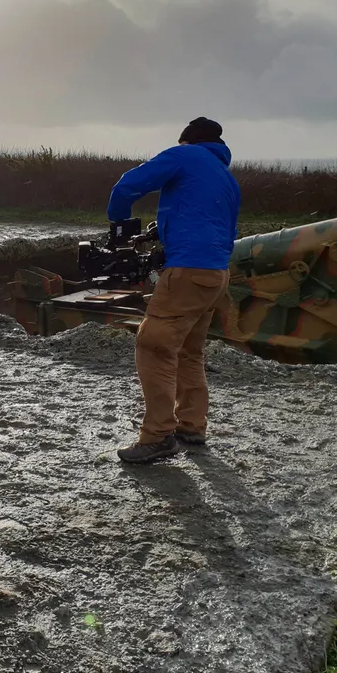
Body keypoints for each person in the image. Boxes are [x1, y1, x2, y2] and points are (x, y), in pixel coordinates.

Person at [106, 117, 241, 464]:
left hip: (188, 271)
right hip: (216, 273)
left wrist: (120, 223)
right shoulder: (226, 177)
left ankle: (158, 436)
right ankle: (192, 427)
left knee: (153, 345)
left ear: (186, 141)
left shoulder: (185, 156)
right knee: (188, 351)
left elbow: (128, 185)